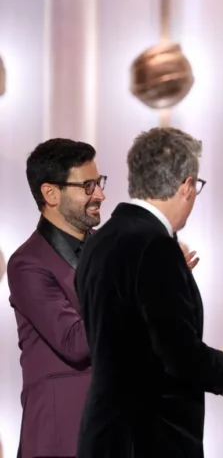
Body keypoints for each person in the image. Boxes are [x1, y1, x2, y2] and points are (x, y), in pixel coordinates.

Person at [74, 127, 223, 457]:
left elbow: (132, 340)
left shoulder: (101, 239)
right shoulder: (155, 246)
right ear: (186, 186)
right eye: (196, 186)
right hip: (149, 438)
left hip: (105, 435)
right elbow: (176, 354)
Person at [7, 138, 106, 458]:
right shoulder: (27, 264)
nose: (100, 195)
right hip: (59, 437)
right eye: (88, 186)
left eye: (99, 183)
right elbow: (75, 342)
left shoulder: (113, 250)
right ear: (51, 193)